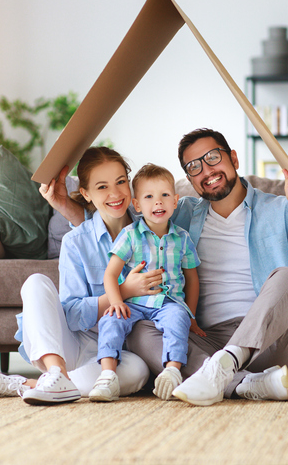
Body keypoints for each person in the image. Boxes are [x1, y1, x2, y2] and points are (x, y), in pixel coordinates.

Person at [41, 128, 288, 407]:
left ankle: (226, 366)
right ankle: (243, 384)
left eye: (213, 158)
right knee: (139, 325)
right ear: (187, 182)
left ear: (234, 159)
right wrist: (69, 208)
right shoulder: (183, 213)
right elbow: (132, 225)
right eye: (194, 167)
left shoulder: (279, 208)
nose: (207, 171)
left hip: (272, 343)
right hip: (204, 341)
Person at [0, 147, 157, 405]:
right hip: (74, 342)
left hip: (116, 348)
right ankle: (56, 372)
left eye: (120, 182)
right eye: (102, 187)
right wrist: (124, 291)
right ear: (86, 193)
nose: (115, 194)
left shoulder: (151, 231)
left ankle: (33, 384)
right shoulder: (76, 241)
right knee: (35, 283)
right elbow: (71, 314)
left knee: (138, 373)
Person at [89, 164, 202, 402]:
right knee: (111, 319)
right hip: (134, 302)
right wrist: (117, 301)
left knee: (178, 319)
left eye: (164, 196)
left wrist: (191, 315)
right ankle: (107, 376)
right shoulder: (130, 235)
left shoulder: (182, 238)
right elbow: (110, 274)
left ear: (175, 201)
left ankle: (172, 370)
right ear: (137, 205)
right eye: (149, 197)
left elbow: (192, 278)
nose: (157, 203)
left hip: (169, 301)